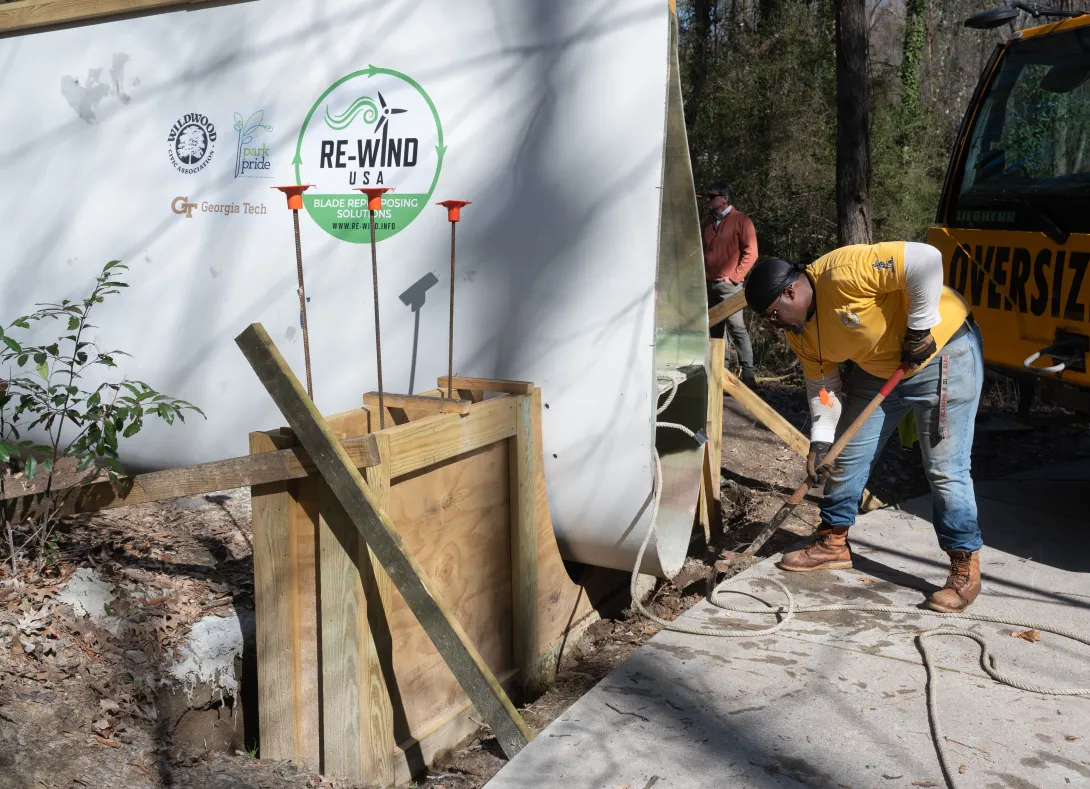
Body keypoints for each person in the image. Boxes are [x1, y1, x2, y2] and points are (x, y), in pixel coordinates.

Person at [743, 242, 984, 613]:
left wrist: (919, 327)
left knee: (944, 469)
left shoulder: (843, 271)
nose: (773, 324)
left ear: (790, 291)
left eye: (773, 313)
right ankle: (833, 542)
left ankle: (964, 565)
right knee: (847, 452)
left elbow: (926, 259)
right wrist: (821, 442)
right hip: (881, 369)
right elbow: (823, 388)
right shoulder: (800, 332)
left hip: (941, 351)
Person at [702, 181, 758, 388]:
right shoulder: (707, 222)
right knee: (715, 331)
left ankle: (749, 376)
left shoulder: (741, 220)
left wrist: (734, 277)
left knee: (737, 328)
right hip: (709, 284)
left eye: (712, 196)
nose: (708, 200)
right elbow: (702, 250)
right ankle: (719, 375)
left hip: (730, 286)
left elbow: (751, 252)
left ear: (724, 199)